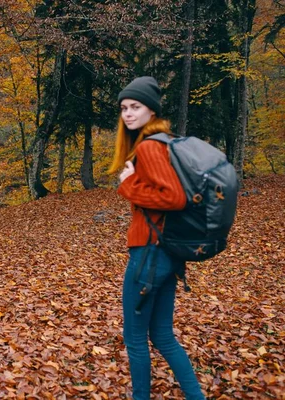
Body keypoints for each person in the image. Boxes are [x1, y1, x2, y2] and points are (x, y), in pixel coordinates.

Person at [109, 76, 206, 399]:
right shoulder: (163, 142)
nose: (128, 113)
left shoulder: (150, 146)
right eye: (124, 108)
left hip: (148, 254)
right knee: (162, 335)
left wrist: (128, 183)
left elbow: (174, 198)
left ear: (152, 110)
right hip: (165, 253)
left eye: (135, 107)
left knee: (135, 338)